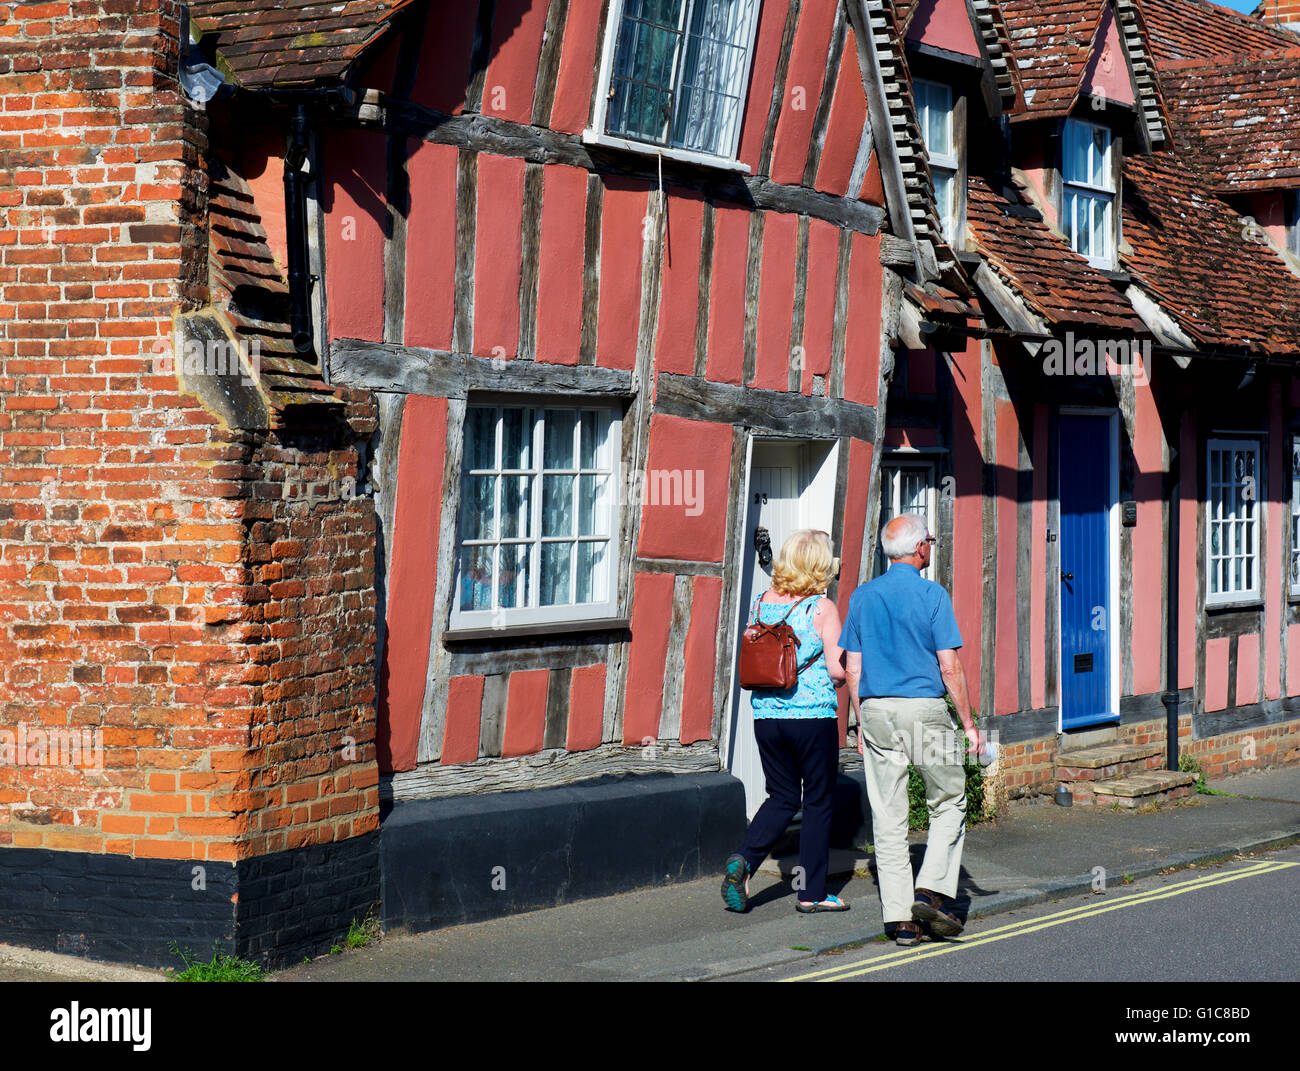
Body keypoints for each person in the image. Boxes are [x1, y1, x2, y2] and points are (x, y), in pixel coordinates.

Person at [838, 512, 984, 946]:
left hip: (878, 710)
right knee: (949, 800)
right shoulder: (932, 594)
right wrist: (969, 725)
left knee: (888, 817)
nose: (930, 549)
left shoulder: (862, 597)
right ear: (920, 548)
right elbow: (949, 665)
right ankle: (932, 892)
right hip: (922, 711)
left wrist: (861, 724)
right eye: (930, 543)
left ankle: (900, 920)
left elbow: (853, 668)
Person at [721, 529, 849, 914]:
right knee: (818, 802)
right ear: (819, 566)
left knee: (781, 796)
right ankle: (811, 893)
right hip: (811, 718)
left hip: (767, 717)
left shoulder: (761, 602)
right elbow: (837, 671)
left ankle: (744, 860)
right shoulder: (821, 608)